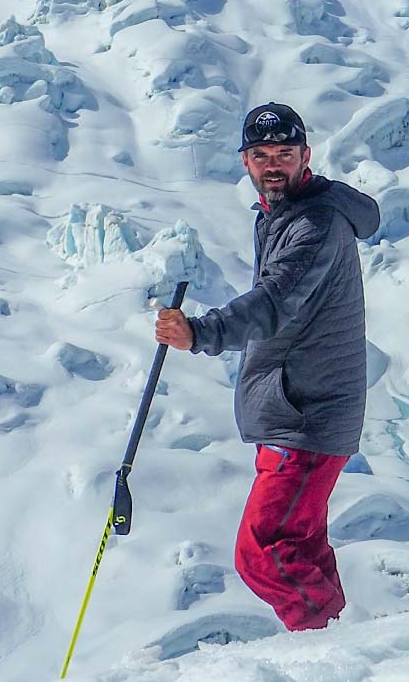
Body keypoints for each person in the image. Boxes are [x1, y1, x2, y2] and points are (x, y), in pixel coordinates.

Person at [153, 101, 381, 632]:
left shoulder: (315, 223)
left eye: (284, 153)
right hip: (296, 405)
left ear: (306, 156)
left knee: (261, 551)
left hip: (307, 414)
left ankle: (326, 649)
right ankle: (340, 638)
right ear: (245, 161)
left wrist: (200, 333)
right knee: (300, 544)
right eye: (261, 154)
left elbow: (276, 300)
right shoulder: (283, 213)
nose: (272, 164)